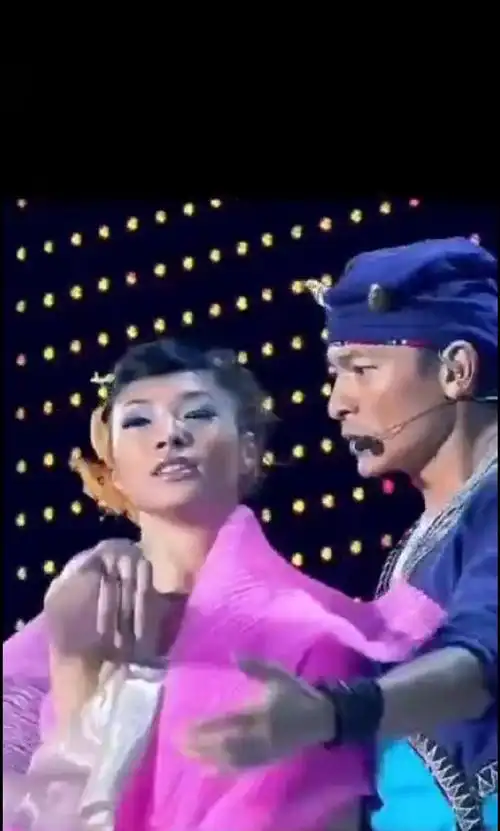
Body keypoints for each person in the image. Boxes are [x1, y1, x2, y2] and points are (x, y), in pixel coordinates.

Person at [2, 339, 445, 831]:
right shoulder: (68, 622)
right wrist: (76, 673)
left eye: (197, 414)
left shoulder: (312, 636)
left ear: (248, 451)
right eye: (138, 421)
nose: (170, 436)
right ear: (114, 468)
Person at [184, 237, 498, 831]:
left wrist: (331, 714)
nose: (336, 404)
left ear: (456, 370)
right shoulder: (419, 543)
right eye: (336, 374)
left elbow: (483, 663)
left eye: (360, 370)